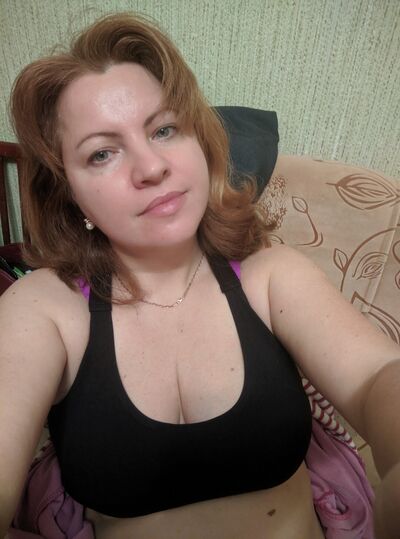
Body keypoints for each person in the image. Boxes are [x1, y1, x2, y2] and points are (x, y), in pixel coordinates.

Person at [1, 12, 399, 539]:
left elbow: (376, 376)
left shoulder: (270, 275)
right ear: (69, 194)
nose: (151, 167)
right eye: (102, 153)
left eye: (164, 129)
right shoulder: (44, 307)